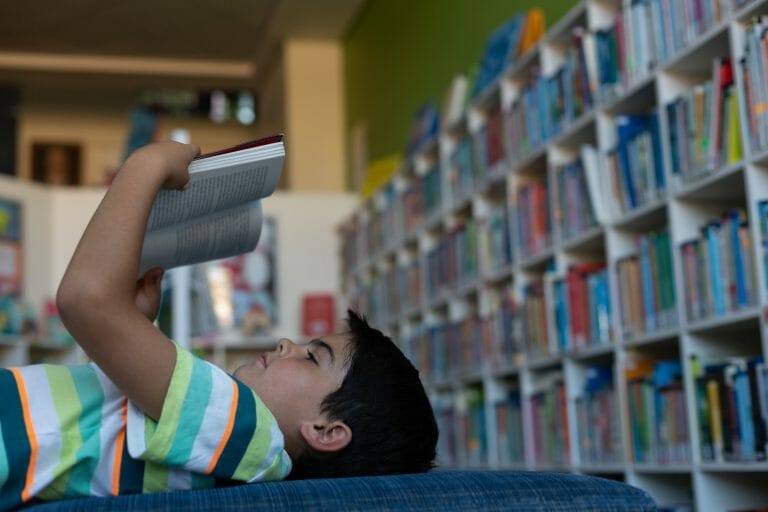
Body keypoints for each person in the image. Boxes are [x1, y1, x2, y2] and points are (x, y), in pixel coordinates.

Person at [0, 141, 438, 509]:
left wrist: (143, 167)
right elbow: (107, 418)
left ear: (325, 431)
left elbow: (84, 300)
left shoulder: (248, 428)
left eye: (311, 356)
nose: (288, 343)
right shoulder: (233, 438)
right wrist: (134, 324)